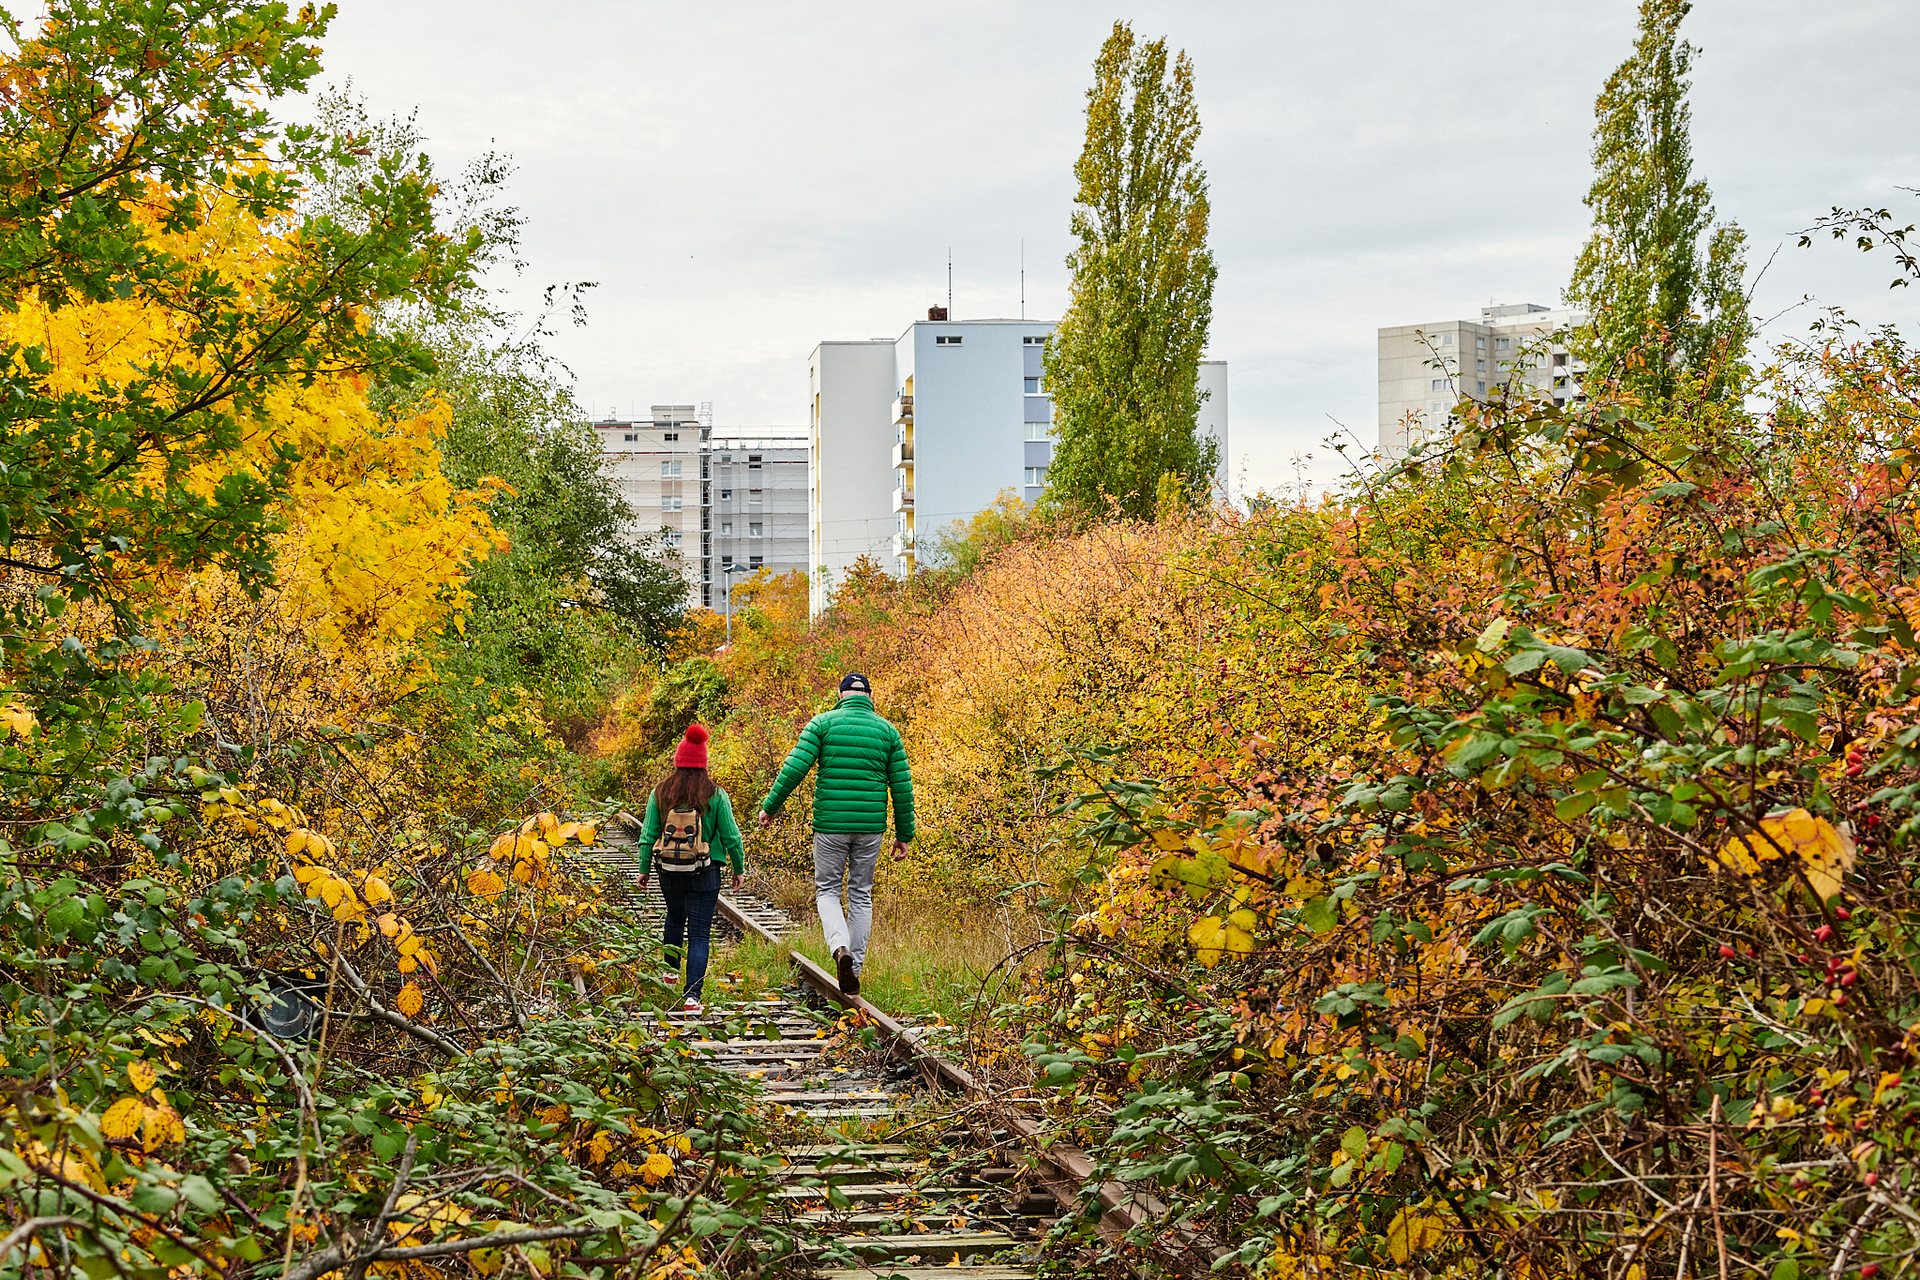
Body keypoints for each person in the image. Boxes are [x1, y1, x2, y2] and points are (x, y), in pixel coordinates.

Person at [758, 672, 913, 996]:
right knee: (860, 894)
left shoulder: (822, 724)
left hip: (829, 826)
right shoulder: (888, 732)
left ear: (841, 694)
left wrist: (770, 807)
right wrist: (904, 833)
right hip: (870, 829)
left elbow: (794, 768)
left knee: (827, 890)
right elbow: (901, 788)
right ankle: (852, 970)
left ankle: (839, 947)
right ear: (869, 697)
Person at [634, 724, 744, 1013]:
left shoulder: (660, 792)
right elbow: (732, 836)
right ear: (704, 763)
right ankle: (692, 997)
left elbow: (648, 835)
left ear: (678, 761)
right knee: (699, 931)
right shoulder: (716, 795)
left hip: (668, 870)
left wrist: (644, 869)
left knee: (674, 915)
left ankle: (670, 971)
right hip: (705, 871)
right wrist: (738, 868)